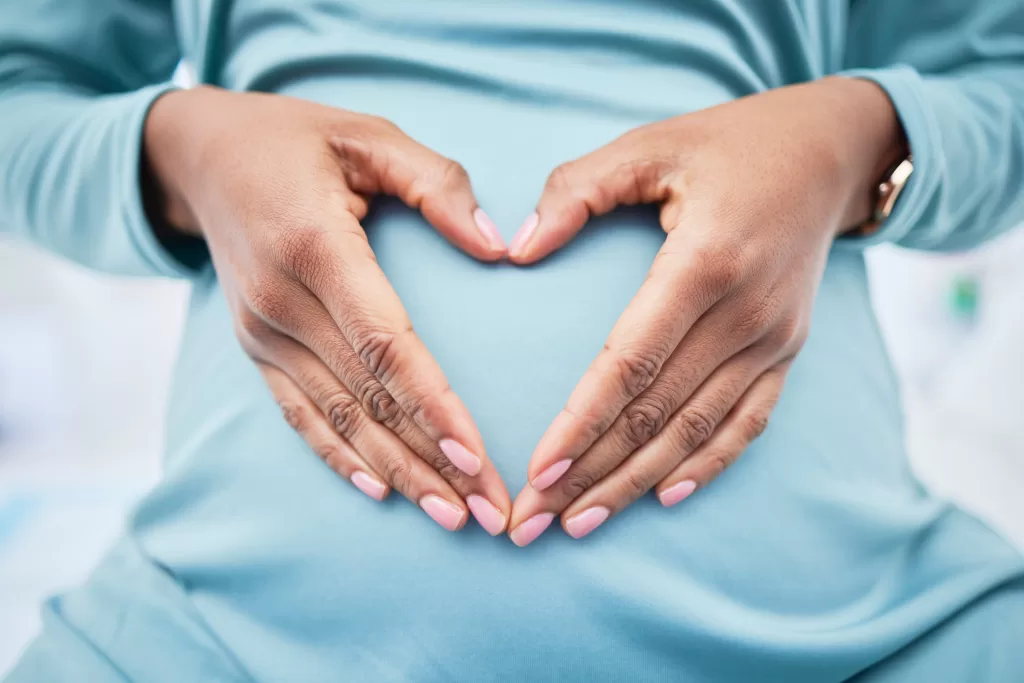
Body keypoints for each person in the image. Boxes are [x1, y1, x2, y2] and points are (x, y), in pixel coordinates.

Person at [2, 0, 1023, 680]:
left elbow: (1002, 76)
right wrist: (185, 148)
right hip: (204, 641)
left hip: (875, 636)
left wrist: (858, 137)